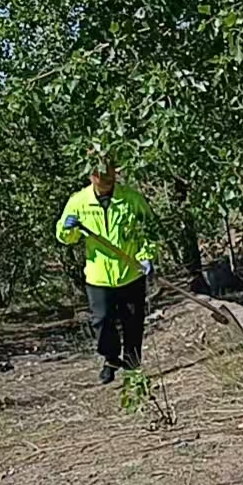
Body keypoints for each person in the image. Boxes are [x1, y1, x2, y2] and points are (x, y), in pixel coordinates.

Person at [56, 158, 158, 384]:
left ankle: (133, 367)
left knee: (133, 322)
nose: (104, 180)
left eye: (108, 175)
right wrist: (67, 228)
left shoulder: (131, 199)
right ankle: (111, 359)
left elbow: (149, 231)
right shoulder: (78, 202)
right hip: (98, 275)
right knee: (102, 321)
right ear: (90, 176)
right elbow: (65, 238)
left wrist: (146, 257)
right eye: (99, 175)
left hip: (130, 273)